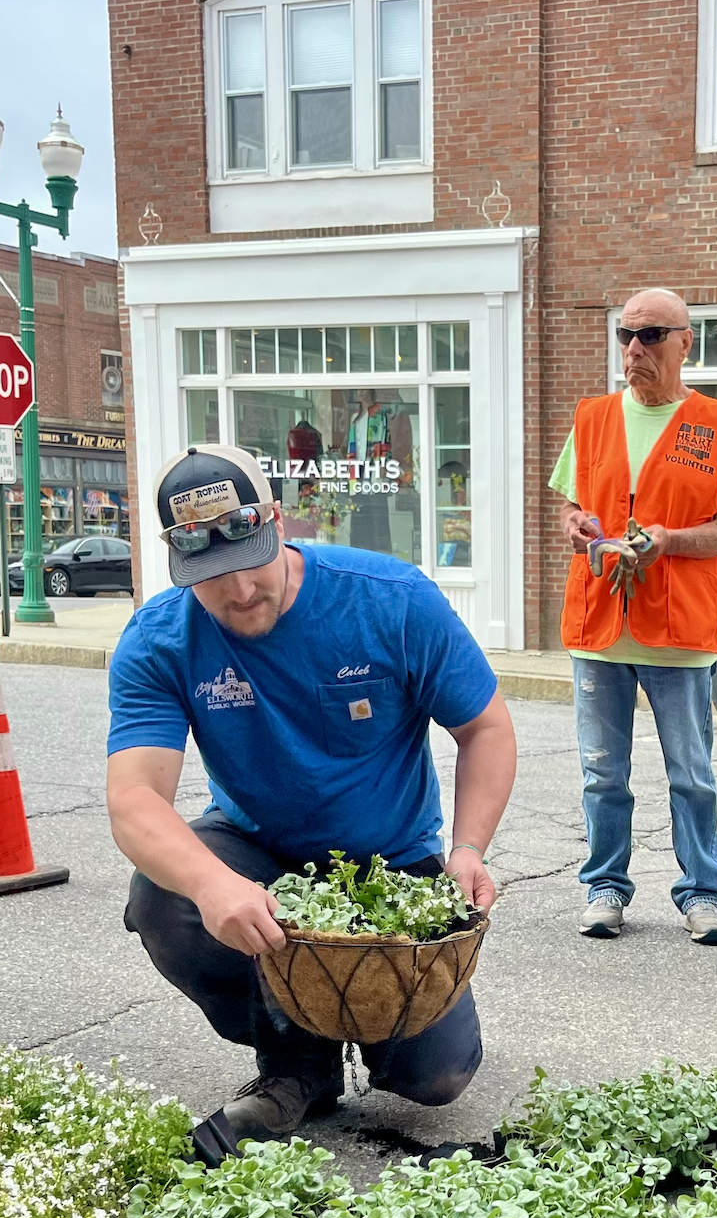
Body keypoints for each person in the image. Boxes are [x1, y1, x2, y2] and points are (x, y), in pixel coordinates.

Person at [107, 444, 516, 1164]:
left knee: (436, 1076)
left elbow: (484, 728)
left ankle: (367, 1040)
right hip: (257, 848)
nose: (237, 593)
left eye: (250, 561)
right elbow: (134, 800)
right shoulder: (160, 639)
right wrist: (210, 885)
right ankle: (299, 1064)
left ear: (276, 520)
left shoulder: (388, 599)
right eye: (209, 578)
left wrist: (469, 849)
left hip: (392, 862)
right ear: (176, 560)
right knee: (164, 898)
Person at [552, 288, 717, 946]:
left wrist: (669, 541)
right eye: (626, 335)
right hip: (601, 624)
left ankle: (702, 895)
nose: (634, 349)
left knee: (692, 774)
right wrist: (578, 525)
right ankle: (604, 889)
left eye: (652, 335)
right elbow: (571, 509)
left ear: (685, 342)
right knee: (602, 772)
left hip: (678, 630)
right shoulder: (592, 417)